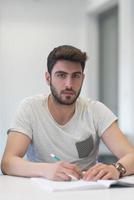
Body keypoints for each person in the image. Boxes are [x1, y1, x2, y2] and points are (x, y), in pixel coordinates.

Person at [1, 45, 134, 181]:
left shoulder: (96, 111)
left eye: (75, 76)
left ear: (82, 78)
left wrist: (116, 168)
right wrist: (46, 169)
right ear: (48, 78)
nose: (69, 84)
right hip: (42, 189)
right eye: (61, 75)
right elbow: (7, 162)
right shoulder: (30, 108)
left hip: (88, 189)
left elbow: (131, 155)